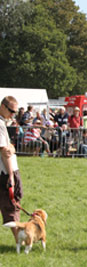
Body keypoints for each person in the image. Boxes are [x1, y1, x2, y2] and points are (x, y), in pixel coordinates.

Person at [0, 96, 23, 244]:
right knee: (12, 207)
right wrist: (11, 176)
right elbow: (5, 151)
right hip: (5, 171)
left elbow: (9, 148)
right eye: (11, 111)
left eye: (15, 112)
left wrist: (11, 148)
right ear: (2, 106)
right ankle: (20, 242)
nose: (13, 115)